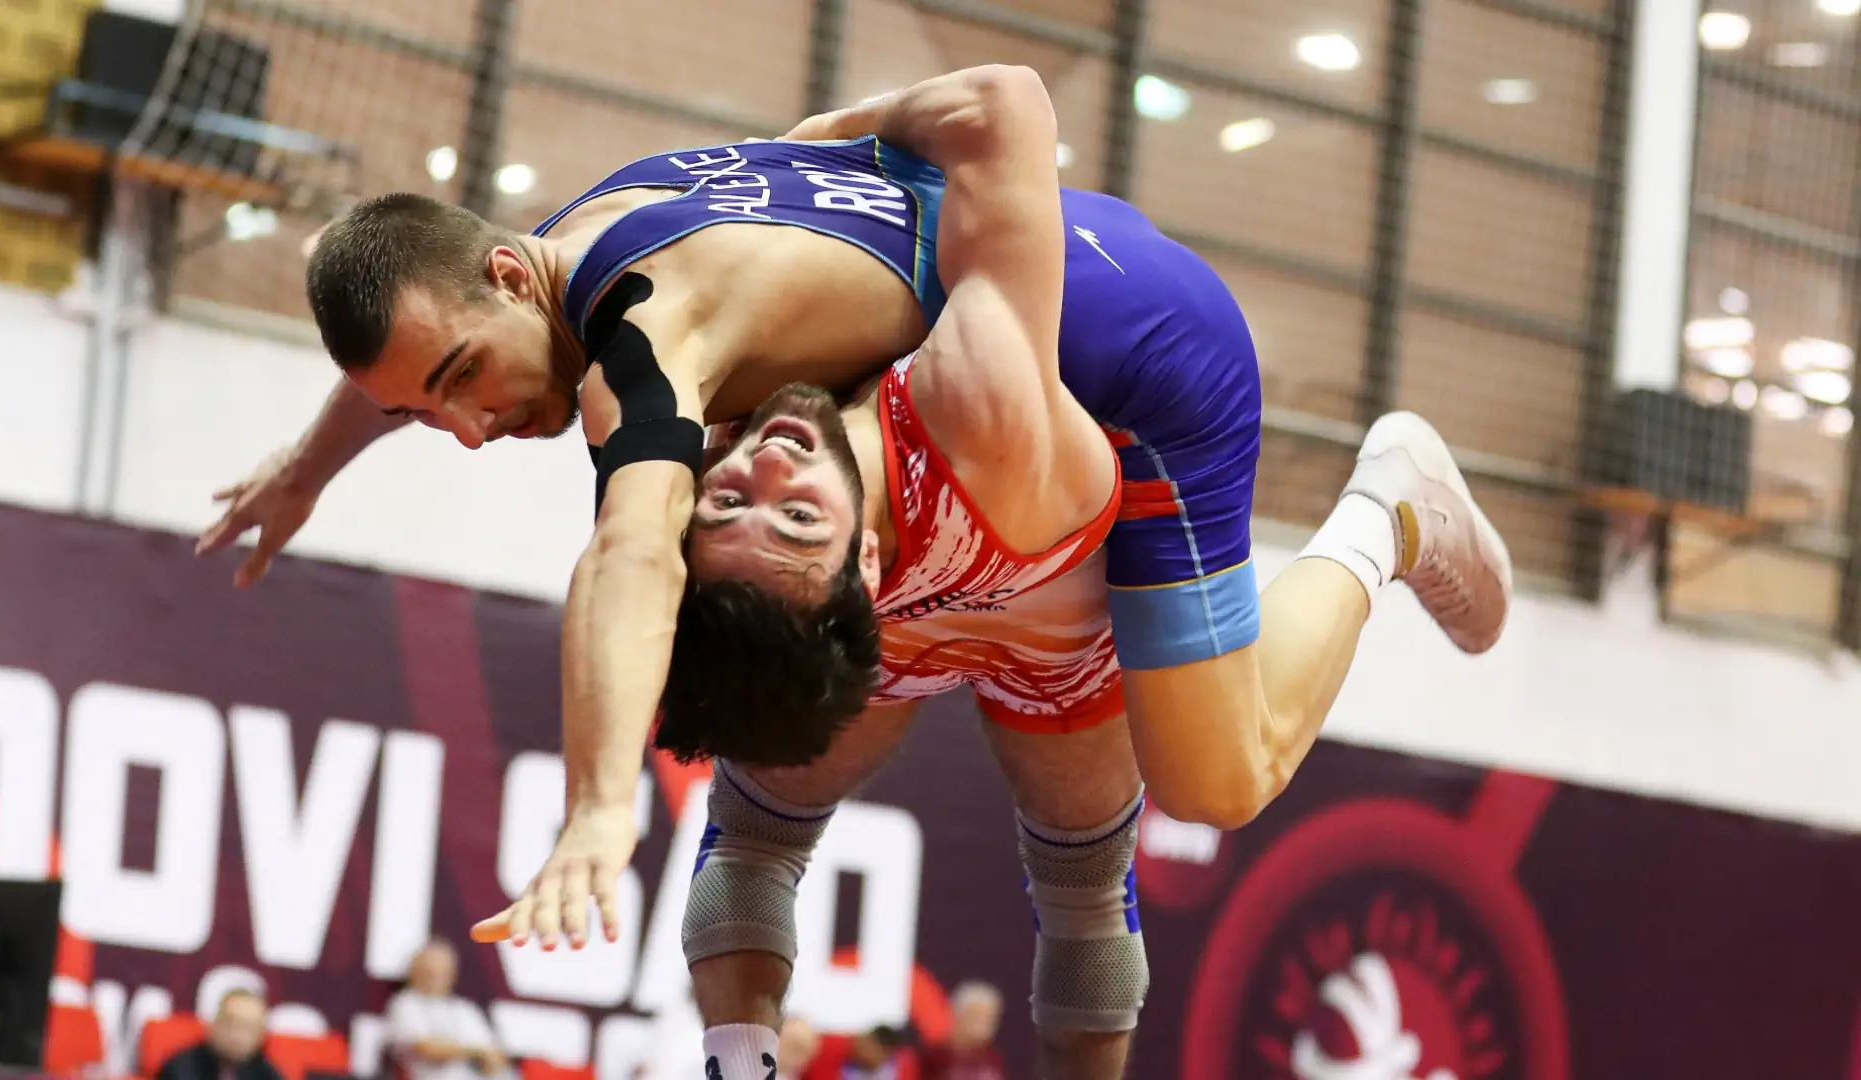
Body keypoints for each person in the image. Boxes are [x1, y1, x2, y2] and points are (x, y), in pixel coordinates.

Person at [198, 65, 1509, 947]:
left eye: (461, 387)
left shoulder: (646, 336)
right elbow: (411, 351)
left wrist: (600, 803)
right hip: (1033, 282)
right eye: (433, 414)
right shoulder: (580, 235)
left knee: (1215, 775)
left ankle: (1383, 507)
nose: (472, 434)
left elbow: (629, 556)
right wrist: (305, 467)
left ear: (505, 275)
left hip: (1137, 367)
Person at [641, 68, 1501, 1078]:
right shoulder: (749, 531)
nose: (760, 467)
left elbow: (1008, 106)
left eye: (741, 499)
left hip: (1138, 389)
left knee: (1210, 783)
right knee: (757, 797)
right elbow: (643, 603)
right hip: (961, 513)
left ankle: (1382, 515)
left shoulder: (948, 400)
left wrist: (830, 140)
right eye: (770, 507)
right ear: (863, 576)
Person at [385, 939, 515, 1080]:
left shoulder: (465, 1009)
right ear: (414, 972)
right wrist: (475, 1052)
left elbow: (495, 1057)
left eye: (443, 971)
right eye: (430, 971)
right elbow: (427, 1048)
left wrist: (487, 1059)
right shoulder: (405, 1004)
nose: (437, 976)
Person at [155, 989, 284, 1080]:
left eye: (247, 1028)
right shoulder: (180, 1068)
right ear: (213, 1025)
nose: (237, 1036)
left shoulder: (268, 1075)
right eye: (230, 1023)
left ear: (261, 1037)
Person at [918, 983, 1005, 1080]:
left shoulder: (993, 1061)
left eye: (989, 1020)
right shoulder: (933, 1058)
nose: (983, 1026)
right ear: (956, 1015)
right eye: (976, 1017)